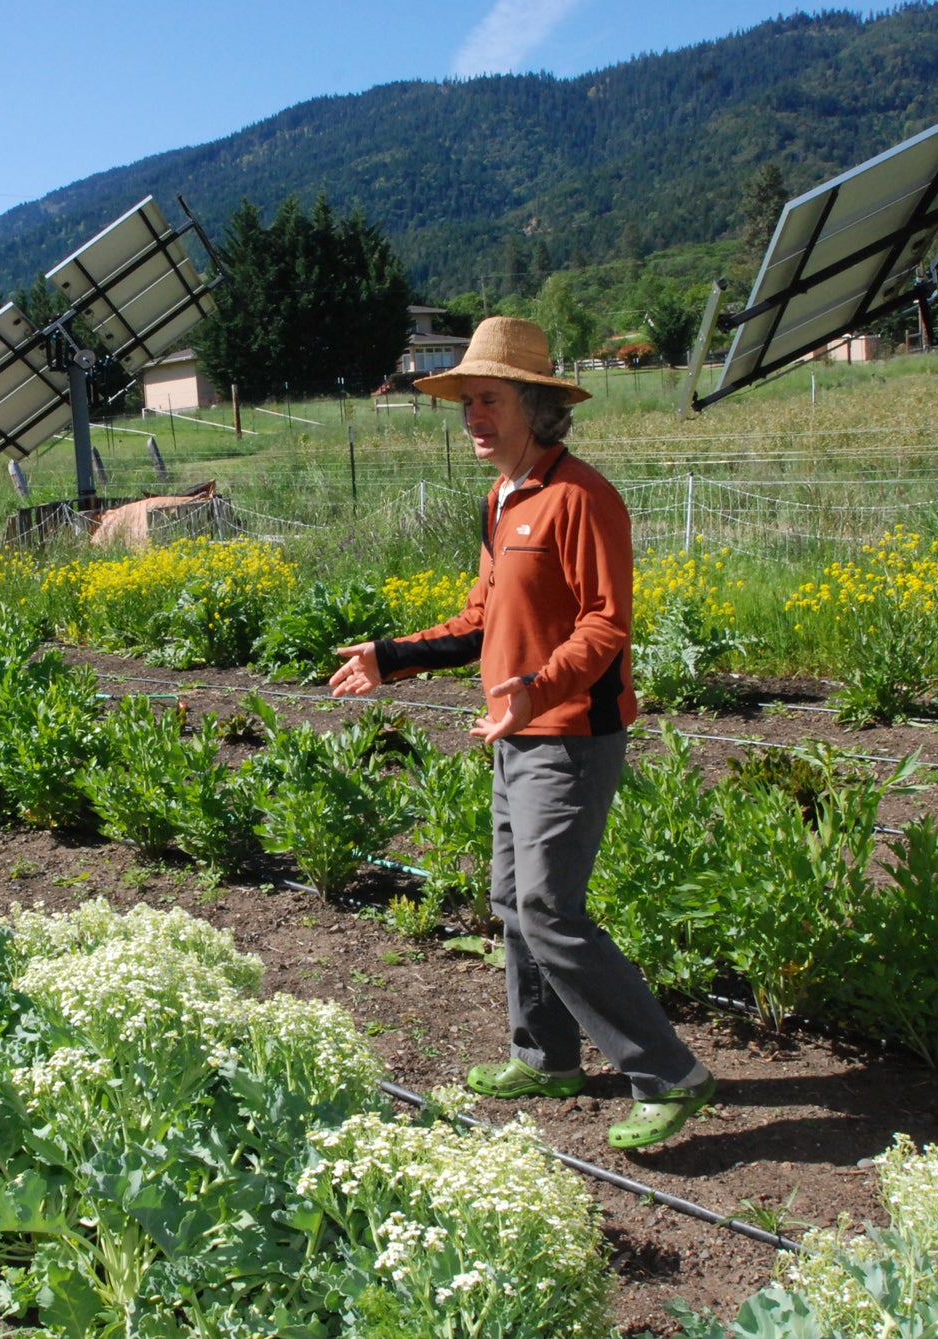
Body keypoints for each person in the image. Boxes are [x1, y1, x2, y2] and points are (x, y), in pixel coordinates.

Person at [329, 316, 713, 1151]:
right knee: (512, 900)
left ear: (536, 407)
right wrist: (389, 657)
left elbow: (608, 627)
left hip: (570, 731)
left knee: (547, 906)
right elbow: (481, 618)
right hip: (513, 729)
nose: (473, 415)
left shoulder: (582, 496)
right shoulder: (501, 500)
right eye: (466, 401)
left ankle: (668, 1072)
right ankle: (545, 1056)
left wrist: (536, 693)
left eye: (489, 399)